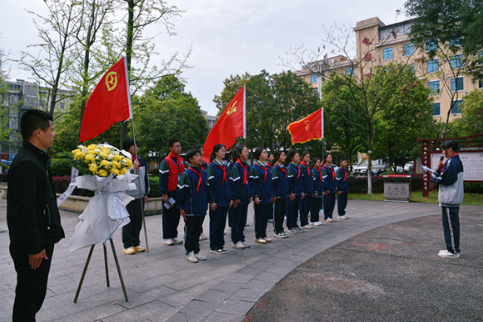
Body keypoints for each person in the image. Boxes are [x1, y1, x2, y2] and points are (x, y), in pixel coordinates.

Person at [7, 109, 65, 321]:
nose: (54, 134)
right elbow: (25, 211)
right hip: (32, 246)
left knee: (33, 295)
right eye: (51, 130)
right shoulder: (28, 164)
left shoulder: (35, 159)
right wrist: (34, 247)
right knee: (28, 299)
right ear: (38, 132)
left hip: (39, 240)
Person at [430, 140, 464, 259]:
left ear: (450, 149)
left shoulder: (452, 162)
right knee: (451, 225)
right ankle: (451, 248)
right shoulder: (454, 161)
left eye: (444, 149)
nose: (443, 152)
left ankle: (453, 250)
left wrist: (437, 171)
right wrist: (441, 169)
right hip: (451, 199)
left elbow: (442, 179)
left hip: (450, 199)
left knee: (450, 226)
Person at [177, 149, 209, 263]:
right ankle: (189, 251)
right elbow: (181, 192)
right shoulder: (186, 174)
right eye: (196, 156)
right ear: (190, 159)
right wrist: (181, 207)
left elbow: (207, 190)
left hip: (201, 206)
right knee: (191, 230)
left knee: (197, 231)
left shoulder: (204, 173)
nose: (200, 158)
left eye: (200, 155)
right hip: (190, 208)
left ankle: (196, 251)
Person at [122, 138, 150, 254]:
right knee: (128, 220)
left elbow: (145, 178)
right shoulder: (122, 161)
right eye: (134, 146)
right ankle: (127, 244)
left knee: (138, 220)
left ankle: (136, 242)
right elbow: (122, 177)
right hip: (127, 195)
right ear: (127, 148)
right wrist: (132, 168)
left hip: (139, 195)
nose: (136, 148)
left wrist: (146, 192)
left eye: (137, 146)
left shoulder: (141, 160)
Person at [207, 144, 232, 254]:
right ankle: (214, 246)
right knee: (215, 224)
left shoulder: (225, 166)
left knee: (222, 224)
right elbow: (210, 185)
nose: (224, 152)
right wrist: (212, 200)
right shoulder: (211, 167)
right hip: (216, 200)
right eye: (222, 150)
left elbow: (228, 184)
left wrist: (230, 197)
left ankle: (221, 244)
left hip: (225, 199)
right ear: (216, 152)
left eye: (225, 150)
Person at [159, 139, 185, 246]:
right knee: (168, 215)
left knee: (176, 215)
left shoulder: (181, 160)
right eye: (176, 146)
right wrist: (164, 193)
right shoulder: (166, 161)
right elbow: (163, 178)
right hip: (169, 194)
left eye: (179, 146)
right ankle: (166, 237)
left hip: (178, 193)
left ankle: (174, 235)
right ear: (170, 148)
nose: (179, 148)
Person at [229, 145, 252, 249]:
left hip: (245, 197)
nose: (247, 153)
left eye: (247, 151)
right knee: (236, 220)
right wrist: (234, 198)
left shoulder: (247, 166)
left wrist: (250, 194)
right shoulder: (236, 167)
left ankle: (241, 238)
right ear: (239, 154)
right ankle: (236, 240)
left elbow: (249, 182)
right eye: (245, 151)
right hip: (238, 198)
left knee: (242, 220)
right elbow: (233, 184)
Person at [250, 147, 274, 244]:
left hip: (267, 195)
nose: (266, 154)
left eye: (266, 152)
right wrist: (255, 195)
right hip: (260, 195)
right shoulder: (255, 168)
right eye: (264, 152)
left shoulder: (267, 167)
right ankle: (258, 235)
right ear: (259, 155)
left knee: (265, 216)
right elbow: (253, 183)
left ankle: (264, 234)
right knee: (259, 216)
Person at [271, 150, 292, 238]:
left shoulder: (284, 168)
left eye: (284, 155)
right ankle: (277, 230)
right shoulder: (275, 168)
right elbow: (274, 183)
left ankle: (281, 229)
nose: (284, 157)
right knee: (277, 213)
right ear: (277, 157)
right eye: (282, 155)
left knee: (282, 213)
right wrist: (274, 194)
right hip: (278, 195)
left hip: (284, 194)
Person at [286, 150, 305, 234]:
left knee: (295, 210)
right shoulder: (290, 168)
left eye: (298, 156)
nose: (298, 158)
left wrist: (301, 191)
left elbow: (300, 181)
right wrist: (290, 192)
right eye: (296, 156)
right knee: (291, 210)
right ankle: (290, 226)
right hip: (293, 192)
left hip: (298, 191)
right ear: (292, 158)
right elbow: (289, 181)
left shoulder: (298, 167)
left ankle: (295, 224)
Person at [193, 144, 208, 241]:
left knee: (201, 214)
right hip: (195, 194)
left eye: (202, 151)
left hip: (203, 192)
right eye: (200, 151)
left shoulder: (204, 165)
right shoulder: (190, 169)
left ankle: (200, 231)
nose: (202, 153)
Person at [299, 151, 313, 230]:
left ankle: (306, 221)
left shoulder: (308, 167)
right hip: (304, 190)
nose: (308, 159)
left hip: (309, 190)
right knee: (303, 207)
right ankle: (303, 222)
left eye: (309, 157)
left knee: (307, 207)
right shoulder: (301, 167)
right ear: (302, 158)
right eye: (306, 157)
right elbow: (301, 180)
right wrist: (302, 190)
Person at [322, 153, 337, 223]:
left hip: (332, 187)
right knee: (327, 202)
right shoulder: (325, 168)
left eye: (331, 157)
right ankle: (326, 216)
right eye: (329, 157)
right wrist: (326, 189)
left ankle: (330, 215)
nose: (330, 159)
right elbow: (324, 179)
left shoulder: (332, 167)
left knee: (332, 203)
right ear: (326, 159)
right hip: (328, 188)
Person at [310, 157, 324, 226]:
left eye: (319, 162)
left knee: (318, 205)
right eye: (318, 162)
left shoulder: (319, 170)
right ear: (314, 163)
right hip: (315, 191)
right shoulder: (313, 171)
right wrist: (314, 191)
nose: (319, 164)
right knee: (314, 206)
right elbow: (313, 182)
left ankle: (317, 219)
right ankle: (313, 219)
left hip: (319, 190)